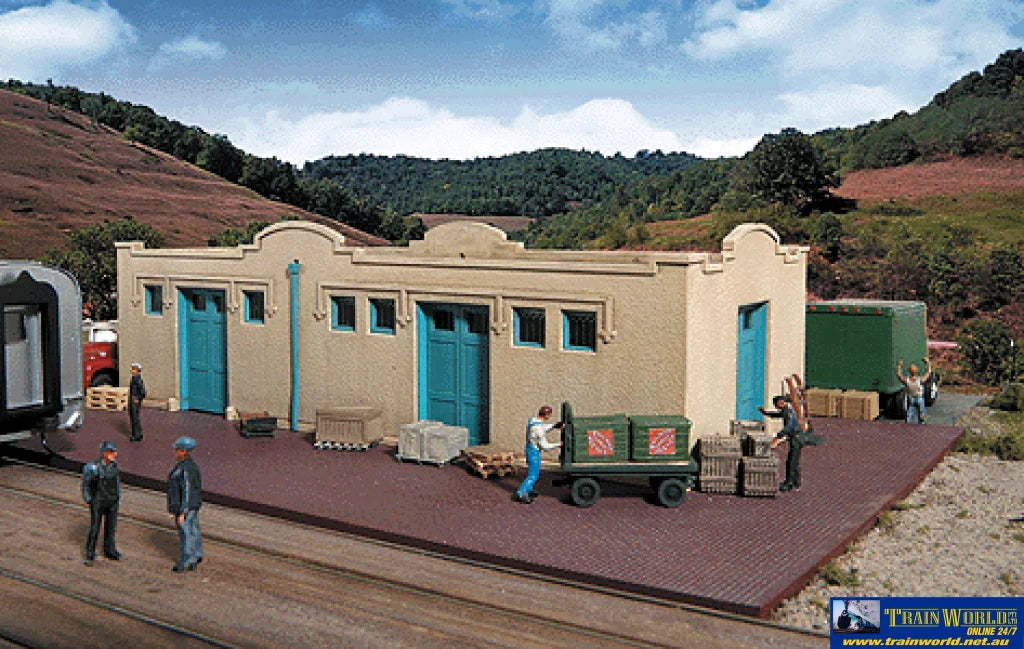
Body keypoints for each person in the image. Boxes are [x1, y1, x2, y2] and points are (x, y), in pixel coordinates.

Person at [81, 440, 122, 566]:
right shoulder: (93, 468)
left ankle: (110, 550)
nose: (114, 454)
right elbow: (86, 484)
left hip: (112, 502)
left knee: (111, 528)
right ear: (104, 453)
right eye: (111, 452)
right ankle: (90, 553)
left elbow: (117, 482)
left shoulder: (114, 466)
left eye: (115, 452)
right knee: (94, 528)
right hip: (98, 501)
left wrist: (117, 496)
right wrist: (89, 499)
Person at [167, 436, 203, 571]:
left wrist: (183, 511)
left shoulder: (184, 468)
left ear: (183, 451)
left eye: (177, 450)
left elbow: (187, 490)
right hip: (193, 504)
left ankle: (187, 559)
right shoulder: (192, 466)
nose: (175, 452)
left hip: (185, 506)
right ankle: (197, 554)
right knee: (193, 529)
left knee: (186, 532)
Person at [514, 405, 563, 504]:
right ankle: (521, 493)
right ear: (547, 415)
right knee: (533, 476)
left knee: (532, 473)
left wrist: (554, 426)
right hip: (534, 453)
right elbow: (545, 446)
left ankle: (528, 490)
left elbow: (542, 427)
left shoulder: (532, 421)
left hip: (529, 448)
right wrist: (558, 444)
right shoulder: (539, 430)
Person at [759, 395, 806, 492]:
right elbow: (776, 415)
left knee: (791, 462)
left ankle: (789, 484)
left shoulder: (788, 413)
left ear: (781, 403)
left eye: (776, 404)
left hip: (796, 438)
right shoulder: (786, 411)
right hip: (797, 438)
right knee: (795, 461)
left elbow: (789, 427)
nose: (776, 407)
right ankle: (796, 482)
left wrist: (778, 436)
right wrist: (765, 413)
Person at [897, 358, 932, 424]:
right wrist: (928, 363)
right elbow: (928, 372)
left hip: (911, 399)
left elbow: (899, 376)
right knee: (922, 416)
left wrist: (899, 366)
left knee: (909, 415)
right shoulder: (920, 380)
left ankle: (908, 425)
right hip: (919, 398)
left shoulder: (907, 380)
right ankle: (921, 426)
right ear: (917, 371)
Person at [129, 362, 146, 441]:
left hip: (135, 399)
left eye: (134, 369)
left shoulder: (137, 380)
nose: (132, 371)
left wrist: (138, 398)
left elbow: (143, 392)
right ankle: (136, 434)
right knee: (133, 417)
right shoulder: (134, 378)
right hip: (133, 398)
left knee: (135, 418)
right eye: (132, 369)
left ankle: (137, 435)